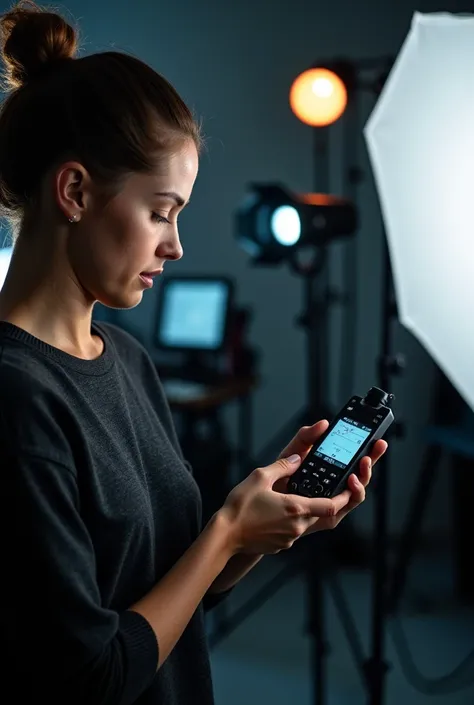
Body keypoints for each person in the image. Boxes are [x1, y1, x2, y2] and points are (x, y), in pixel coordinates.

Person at [0, 3, 387, 705]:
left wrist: (254, 531)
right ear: (76, 191)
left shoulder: (125, 357)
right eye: (161, 211)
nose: (175, 246)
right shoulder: (17, 399)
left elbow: (164, 606)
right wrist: (226, 528)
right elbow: (95, 678)